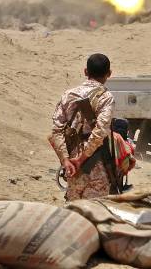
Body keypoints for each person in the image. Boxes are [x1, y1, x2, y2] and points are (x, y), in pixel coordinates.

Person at [49, 53, 115, 201]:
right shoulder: (106, 97)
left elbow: (57, 130)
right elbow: (100, 132)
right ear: (109, 74)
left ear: (86, 71)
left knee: (73, 214)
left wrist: (66, 160)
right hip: (97, 162)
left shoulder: (68, 95)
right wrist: (82, 159)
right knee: (96, 213)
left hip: (72, 165)